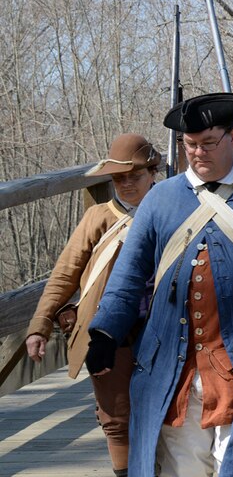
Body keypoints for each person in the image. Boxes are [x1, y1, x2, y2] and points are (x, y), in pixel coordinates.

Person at [87, 92, 233, 476]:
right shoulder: (160, 200)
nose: (198, 153)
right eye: (190, 145)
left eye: (208, 143)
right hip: (171, 368)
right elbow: (128, 276)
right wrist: (104, 332)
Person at [25, 134, 160, 477]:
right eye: (119, 178)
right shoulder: (99, 217)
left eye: (135, 175)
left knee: (169, 411)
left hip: (161, 323)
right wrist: (40, 324)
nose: (127, 183)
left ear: (152, 173)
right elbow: (65, 273)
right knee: (115, 414)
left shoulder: (171, 209)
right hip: (108, 329)